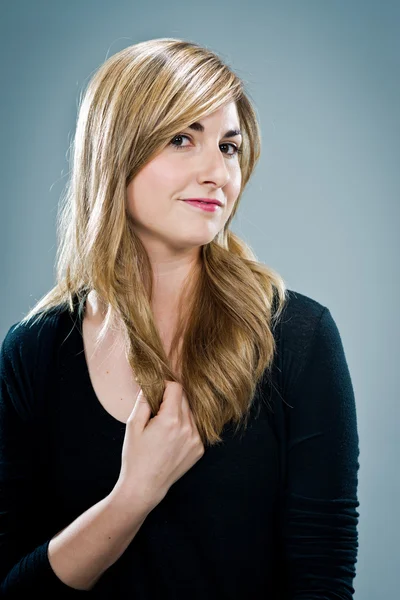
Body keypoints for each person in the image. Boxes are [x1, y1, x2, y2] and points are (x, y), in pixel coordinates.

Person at [0, 38, 360, 598]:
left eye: (229, 147)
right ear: (116, 153)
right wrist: (135, 495)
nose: (216, 171)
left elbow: (323, 580)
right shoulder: (34, 351)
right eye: (181, 140)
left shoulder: (297, 337)